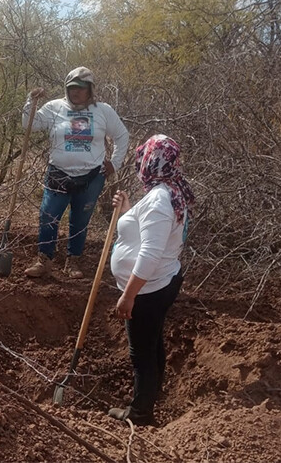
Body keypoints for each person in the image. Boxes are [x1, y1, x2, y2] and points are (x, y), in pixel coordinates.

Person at [107, 134, 195, 426]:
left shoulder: (159, 199)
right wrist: (129, 209)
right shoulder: (169, 191)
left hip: (149, 289)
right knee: (152, 340)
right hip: (161, 282)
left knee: (141, 351)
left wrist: (129, 295)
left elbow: (150, 251)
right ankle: (151, 394)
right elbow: (148, 231)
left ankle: (141, 411)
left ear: (150, 161)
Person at [23, 67, 129, 279]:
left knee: (80, 220)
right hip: (58, 174)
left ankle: (73, 261)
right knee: (48, 216)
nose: (76, 92)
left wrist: (115, 163)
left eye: (80, 88)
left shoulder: (103, 110)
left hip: (91, 177)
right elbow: (29, 125)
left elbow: (122, 136)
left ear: (90, 89)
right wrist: (30, 102)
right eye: (72, 88)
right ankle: (44, 259)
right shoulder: (54, 108)